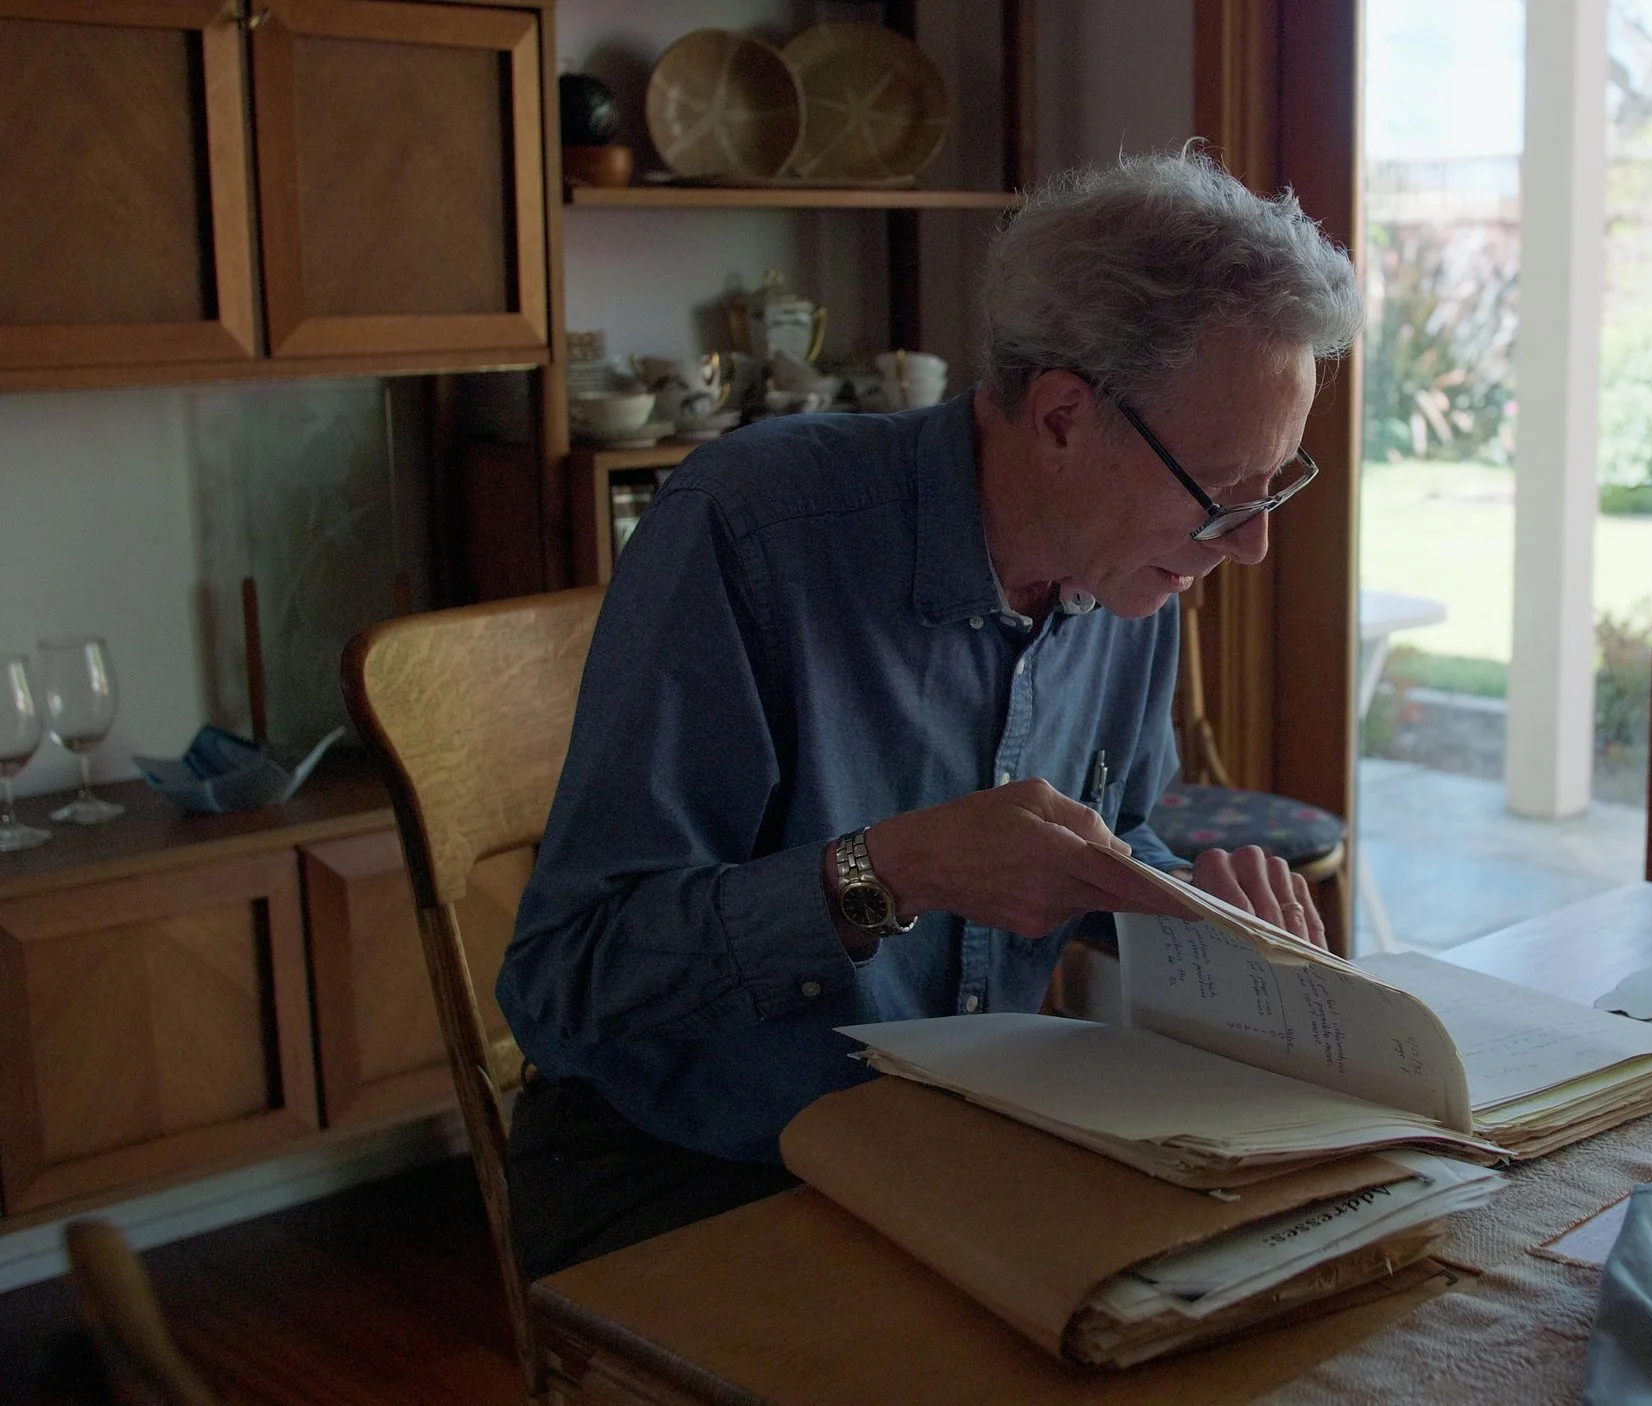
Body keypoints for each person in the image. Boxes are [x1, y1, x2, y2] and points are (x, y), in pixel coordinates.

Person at [497, 148, 1365, 1276]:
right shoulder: (748, 532)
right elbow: (570, 981)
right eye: (1224, 493)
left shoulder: (1131, 565)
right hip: (694, 1167)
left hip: (960, 1137)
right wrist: (887, 872)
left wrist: (1180, 906)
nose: (1248, 544)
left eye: (1274, 485)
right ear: (1061, 417)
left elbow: (1116, 821)